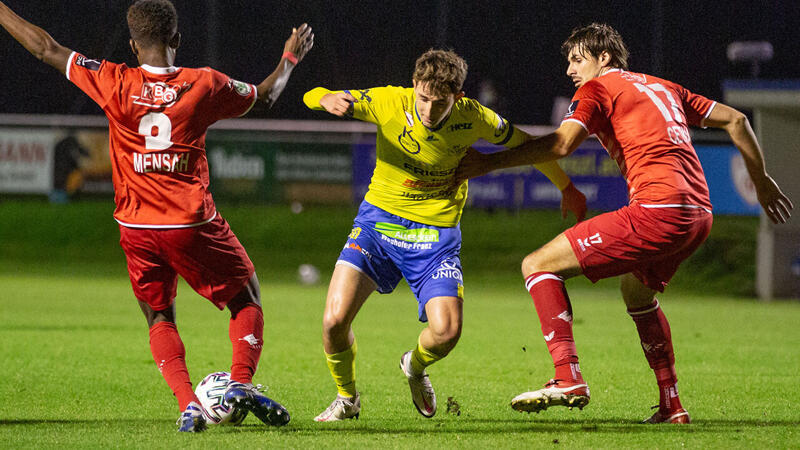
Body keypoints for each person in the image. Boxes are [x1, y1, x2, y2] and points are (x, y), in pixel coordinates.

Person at [0, 0, 313, 432]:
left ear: (133, 45)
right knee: (247, 299)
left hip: (136, 227)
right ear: (177, 39)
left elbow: (45, 48)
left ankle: (188, 405)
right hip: (190, 222)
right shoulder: (204, 83)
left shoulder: (114, 80)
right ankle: (240, 382)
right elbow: (268, 96)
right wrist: (290, 57)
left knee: (160, 315)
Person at [456, 23, 793, 424]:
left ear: (605, 58)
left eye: (577, 59)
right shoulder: (665, 86)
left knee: (538, 265)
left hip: (658, 210)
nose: (569, 69)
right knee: (636, 293)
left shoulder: (597, 90)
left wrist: (486, 164)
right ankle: (671, 405)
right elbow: (736, 121)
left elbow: (562, 143)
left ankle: (567, 377)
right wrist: (763, 184)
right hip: (699, 215)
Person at [302, 49, 588, 421]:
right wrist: (325, 97)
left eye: (440, 103)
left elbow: (529, 146)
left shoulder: (476, 117)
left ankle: (414, 366)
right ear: (414, 87)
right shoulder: (389, 101)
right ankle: (347, 398)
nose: (429, 110)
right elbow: (313, 94)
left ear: (459, 95)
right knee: (333, 321)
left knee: (447, 332)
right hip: (378, 226)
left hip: (435, 237)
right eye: (422, 99)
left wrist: (566, 187)